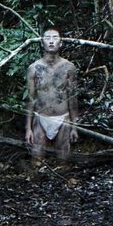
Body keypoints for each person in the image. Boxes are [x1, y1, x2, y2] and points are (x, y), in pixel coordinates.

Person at [25, 28, 79, 163]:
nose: (51, 41)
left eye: (54, 38)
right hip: (41, 117)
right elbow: (30, 99)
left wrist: (75, 127)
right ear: (42, 42)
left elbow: (73, 99)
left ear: (60, 43)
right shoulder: (34, 68)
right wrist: (28, 129)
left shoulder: (69, 67)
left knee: (63, 159)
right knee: (36, 158)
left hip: (63, 118)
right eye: (47, 38)